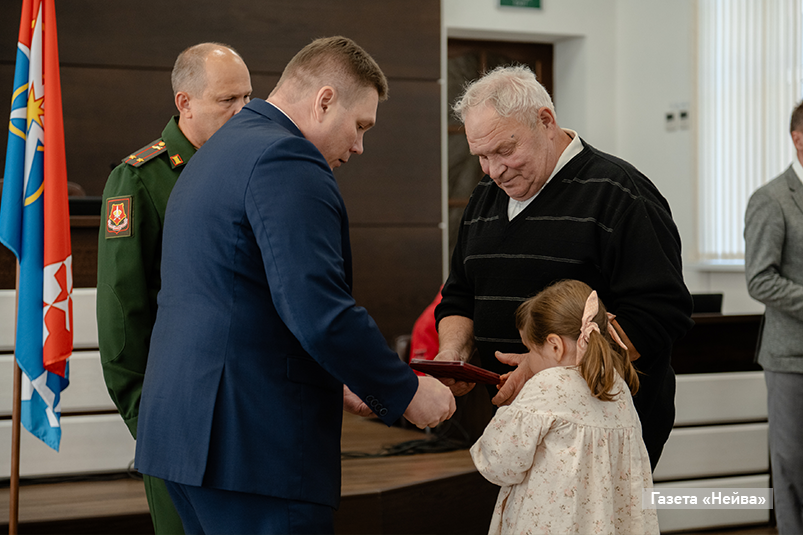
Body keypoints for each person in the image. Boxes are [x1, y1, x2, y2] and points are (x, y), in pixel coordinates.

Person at [134, 36, 455, 535]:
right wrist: (406, 390)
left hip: (187, 438)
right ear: (325, 100)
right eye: (360, 125)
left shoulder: (216, 151)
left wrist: (343, 378)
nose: (359, 145)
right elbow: (318, 309)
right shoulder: (287, 158)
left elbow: (242, 299)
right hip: (253, 447)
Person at [435, 65, 693, 469]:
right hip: (518, 426)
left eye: (504, 151)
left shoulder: (620, 193)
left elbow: (659, 314)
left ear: (545, 121)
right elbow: (460, 295)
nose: (493, 170)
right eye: (481, 156)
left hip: (600, 434)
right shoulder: (484, 196)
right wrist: (453, 354)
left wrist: (545, 368)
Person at [96, 43, 252, 534]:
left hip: (242, 410)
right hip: (175, 415)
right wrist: (148, 419)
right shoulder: (140, 179)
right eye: (227, 100)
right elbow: (122, 312)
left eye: (248, 98)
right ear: (185, 102)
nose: (243, 111)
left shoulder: (250, 166)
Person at [470, 280, 659, 535]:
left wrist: (513, 412)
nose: (529, 360)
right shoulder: (616, 385)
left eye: (530, 350)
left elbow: (499, 462)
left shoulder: (545, 386)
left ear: (555, 346)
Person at [744, 100, 803, 535]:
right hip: (791, 359)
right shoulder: (771, 199)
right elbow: (760, 280)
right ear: (798, 139)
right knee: (793, 466)